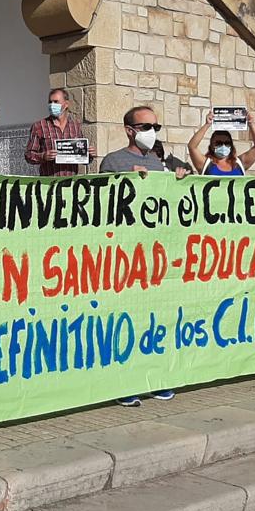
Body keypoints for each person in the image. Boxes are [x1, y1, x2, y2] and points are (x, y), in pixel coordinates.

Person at [101, 106, 183, 406]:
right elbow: (101, 199)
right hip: (123, 256)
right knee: (125, 322)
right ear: (129, 129)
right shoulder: (113, 161)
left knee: (153, 321)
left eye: (155, 126)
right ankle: (124, 383)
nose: (151, 131)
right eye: (145, 126)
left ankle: (154, 378)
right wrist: (127, 177)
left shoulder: (159, 162)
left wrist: (178, 178)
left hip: (154, 257)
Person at [24, 88, 95, 176]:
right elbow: (29, 155)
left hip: (70, 183)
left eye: (56, 102)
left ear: (66, 104)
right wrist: (43, 156)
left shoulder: (75, 126)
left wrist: (89, 154)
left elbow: (82, 157)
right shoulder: (39, 126)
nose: (52, 105)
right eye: (50, 102)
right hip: (50, 183)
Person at [187, 113, 255, 176]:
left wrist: (251, 124)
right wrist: (207, 124)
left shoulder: (240, 163)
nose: (223, 146)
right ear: (211, 146)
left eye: (227, 143)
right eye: (219, 143)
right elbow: (192, 147)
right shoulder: (205, 164)